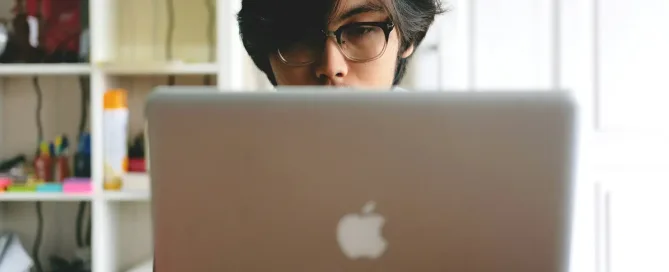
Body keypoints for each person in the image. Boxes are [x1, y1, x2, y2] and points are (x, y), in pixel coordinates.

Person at [237, 0, 445, 89]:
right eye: (300, 36)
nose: (331, 67)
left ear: (408, 39)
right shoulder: (221, 151)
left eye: (361, 30)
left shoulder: (446, 150)